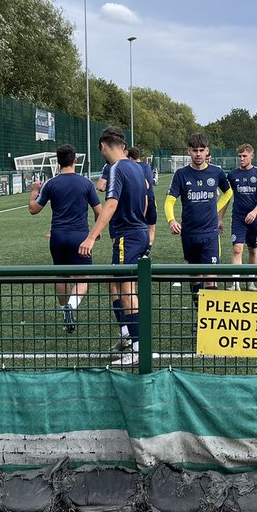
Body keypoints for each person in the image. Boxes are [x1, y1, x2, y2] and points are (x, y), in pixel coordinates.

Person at [80, 126, 155, 366]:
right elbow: (145, 199)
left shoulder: (116, 169)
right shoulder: (137, 167)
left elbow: (110, 205)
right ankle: (127, 336)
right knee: (115, 283)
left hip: (128, 236)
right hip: (139, 233)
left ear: (102, 145)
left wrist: (92, 236)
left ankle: (139, 347)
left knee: (126, 289)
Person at [29, 143, 102, 333]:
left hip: (58, 237)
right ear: (75, 160)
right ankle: (72, 306)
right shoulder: (85, 183)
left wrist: (34, 191)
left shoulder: (51, 184)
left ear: (58, 162)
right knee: (83, 278)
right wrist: (96, 232)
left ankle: (64, 311)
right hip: (80, 236)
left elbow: (33, 209)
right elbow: (99, 211)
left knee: (61, 275)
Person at [166, 132, 231, 312]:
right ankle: (199, 316)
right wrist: (171, 220)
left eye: (202, 150)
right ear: (189, 151)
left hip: (210, 234)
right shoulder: (181, 174)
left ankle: (209, 322)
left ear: (207, 151)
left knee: (211, 278)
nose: (198, 154)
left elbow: (228, 192)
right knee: (194, 278)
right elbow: (170, 200)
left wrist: (216, 208)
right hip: (189, 234)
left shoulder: (216, 172)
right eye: (195, 150)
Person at [225, 143, 257, 290]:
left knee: (253, 249)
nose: (241, 159)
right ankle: (235, 283)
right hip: (238, 217)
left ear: (251, 156)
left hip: (255, 218)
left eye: (244, 156)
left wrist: (254, 212)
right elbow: (227, 197)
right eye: (239, 156)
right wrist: (219, 217)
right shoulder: (232, 175)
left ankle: (251, 281)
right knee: (237, 249)